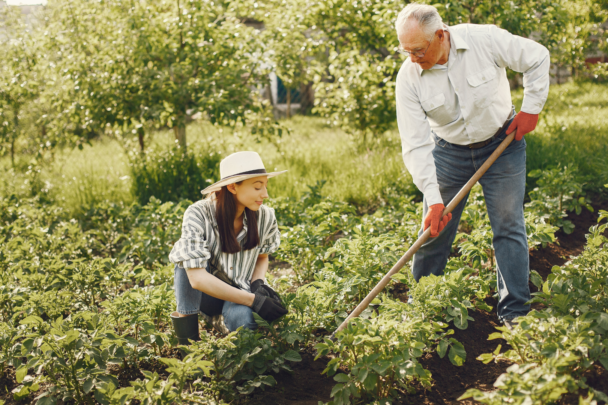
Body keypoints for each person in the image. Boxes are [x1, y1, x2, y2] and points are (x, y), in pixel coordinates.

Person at [394, 3, 550, 329]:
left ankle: (515, 314)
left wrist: (531, 109)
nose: (412, 58)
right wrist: (434, 198)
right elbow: (416, 143)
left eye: (418, 50)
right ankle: (422, 310)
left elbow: (537, 56)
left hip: (502, 144)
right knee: (433, 231)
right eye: (405, 51)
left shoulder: (484, 40)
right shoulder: (409, 77)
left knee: (508, 226)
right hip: (448, 154)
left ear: (441, 35)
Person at [169, 151, 288, 344]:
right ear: (232, 187)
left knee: (245, 321)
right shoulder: (198, 214)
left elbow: (262, 256)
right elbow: (196, 279)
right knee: (185, 261)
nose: (265, 194)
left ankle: (221, 323)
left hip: (240, 290)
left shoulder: (265, 216)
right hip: (206, 295)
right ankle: (187, 345)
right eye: (258, 187)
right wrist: (253, 301)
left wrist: (257, 284)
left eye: (265, 186)